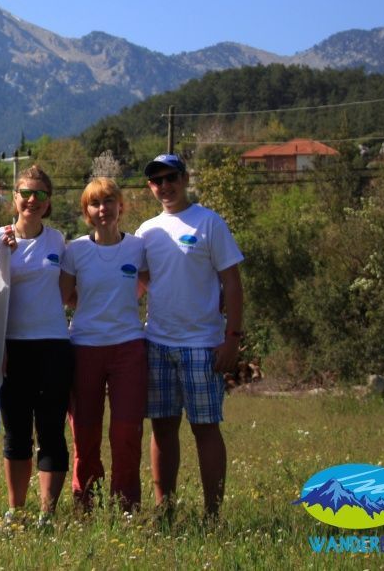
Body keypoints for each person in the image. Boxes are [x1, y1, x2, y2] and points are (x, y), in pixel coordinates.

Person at [136, 154, 244, 520]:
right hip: (157, 343)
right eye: (157, 181)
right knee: (162, 429)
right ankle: (164, 509)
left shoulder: (209, 222)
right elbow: (144, 278)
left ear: (184, 179)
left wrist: (232, 337)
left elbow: (232, 283)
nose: (165, 186)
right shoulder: (147, 230)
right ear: (150, 187)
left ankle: (212, 516)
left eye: (171, 177)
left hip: (202, 345)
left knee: (205, 429)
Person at [59, 178, 147, 512]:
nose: (102, 209)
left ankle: (126, 506)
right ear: (87, 212)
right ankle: (86, 504)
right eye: (94, 204)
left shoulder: (137, 248)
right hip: (84, 347)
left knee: (126, 432)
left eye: (109, 201)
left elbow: (149, 284)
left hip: (128, 348)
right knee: (85, 433)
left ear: (120, 206)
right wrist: (91, 305)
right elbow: (64, 296)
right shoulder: (75, 251)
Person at [0, 164, 71, 526]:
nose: (32, 200)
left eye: (39, 194)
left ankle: (47, 514)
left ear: (48, 202)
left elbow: (67, 293)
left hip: (53, 346)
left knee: (51, 431)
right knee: (17, 433)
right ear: (14, 197)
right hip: (11, 348)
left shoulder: (58, 241)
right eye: (25, 193)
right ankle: (16, 510)